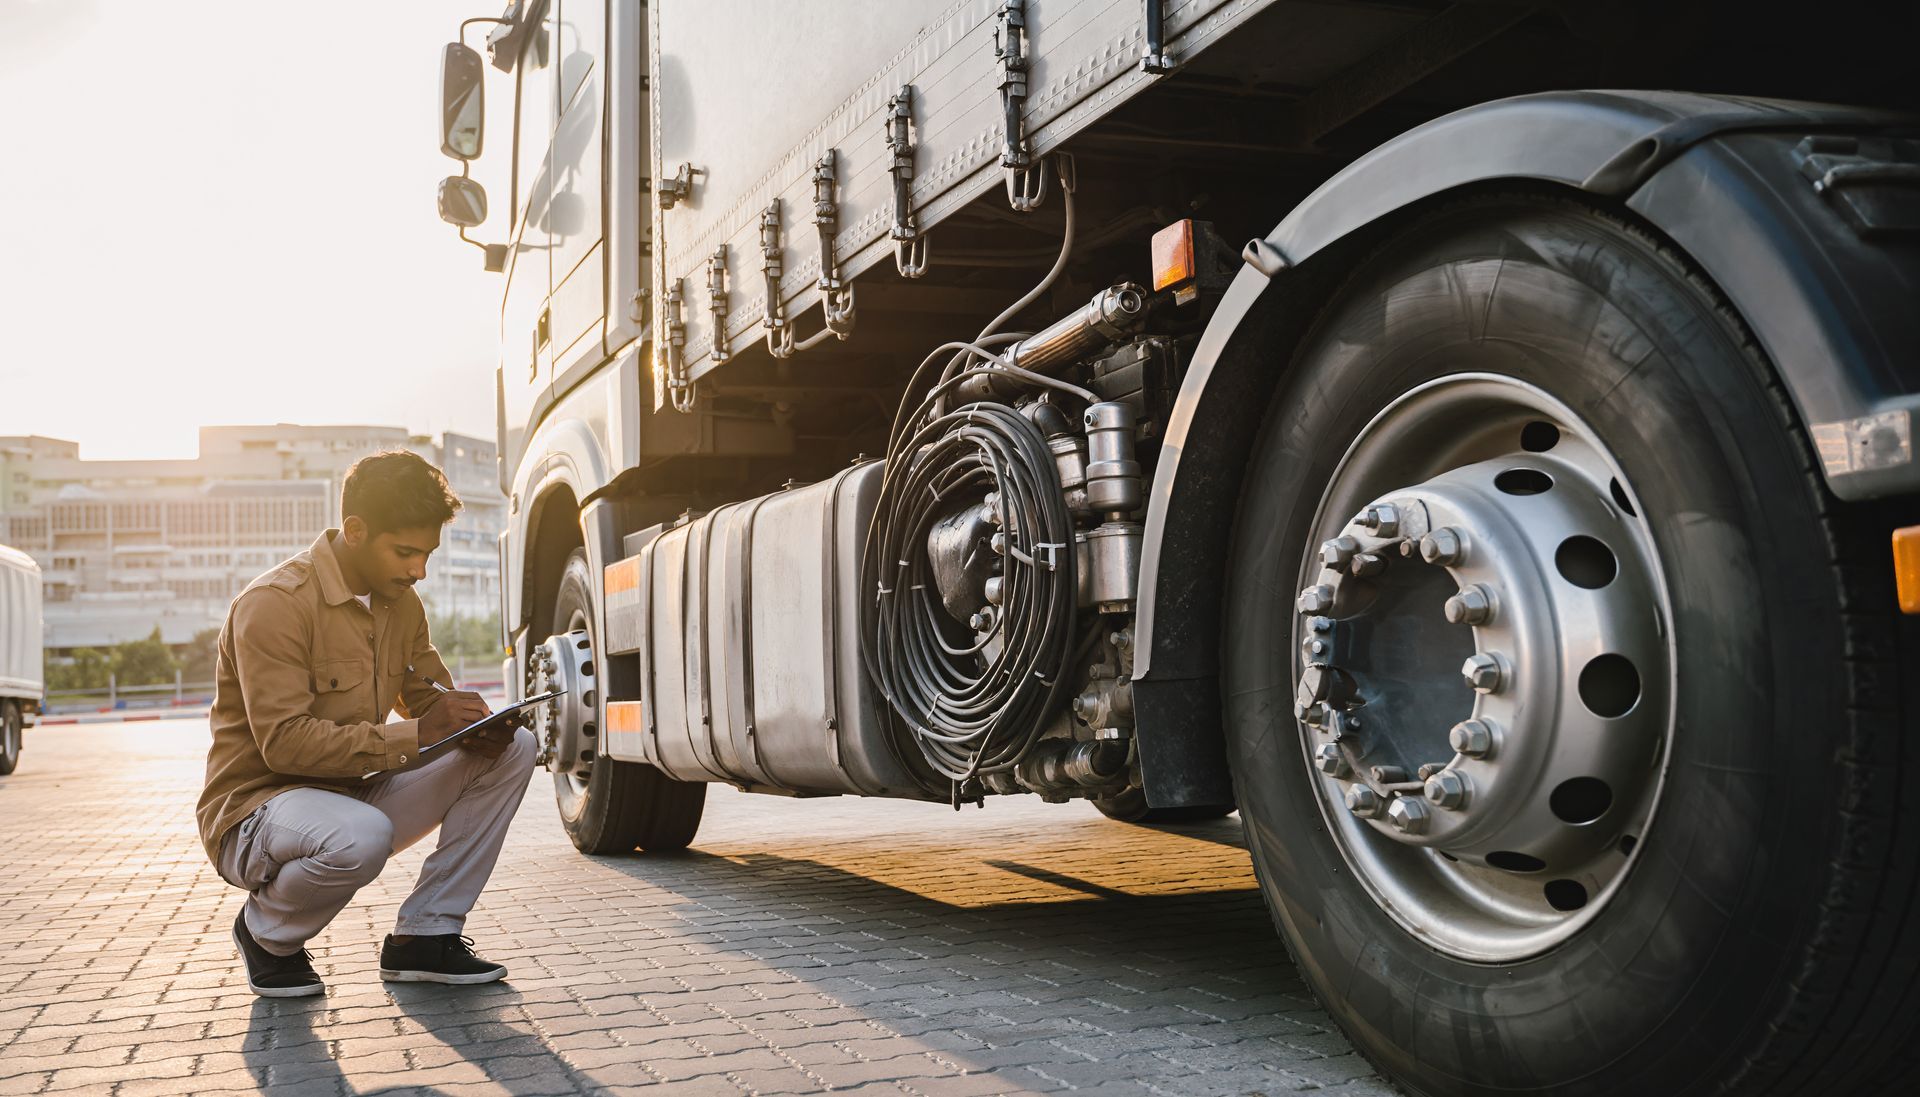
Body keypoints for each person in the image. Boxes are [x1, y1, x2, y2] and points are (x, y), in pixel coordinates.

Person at [195, 451, 536, 997]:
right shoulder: (274, 605)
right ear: (355, 531)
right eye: (405, 552)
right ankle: (267, 935)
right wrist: (423, 733)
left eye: (426, 554)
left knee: (514, 748)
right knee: (361, 835)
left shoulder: (401, 603)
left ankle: (425, 935)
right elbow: (284, 746)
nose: (418, 570)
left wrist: (474, 725)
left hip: (352, 792)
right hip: (258, 811)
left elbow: (427, 699)